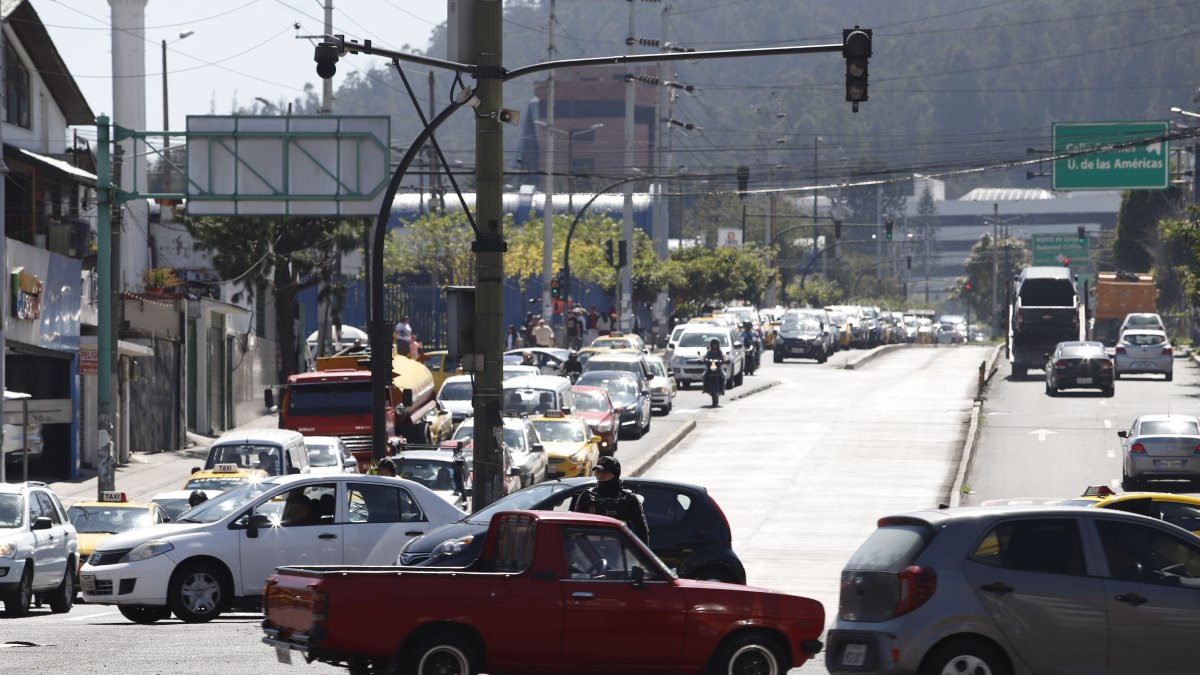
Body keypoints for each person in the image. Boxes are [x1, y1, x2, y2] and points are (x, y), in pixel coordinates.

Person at [569, 455, 649, 545]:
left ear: (615, 474)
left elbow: (642, 531)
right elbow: (574, 528)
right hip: (591, 550)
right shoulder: (586, 496)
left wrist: (641, 553)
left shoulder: (628, 498)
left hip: (620, 550)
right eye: (598, 471)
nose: (600, 475)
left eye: (605, 472)